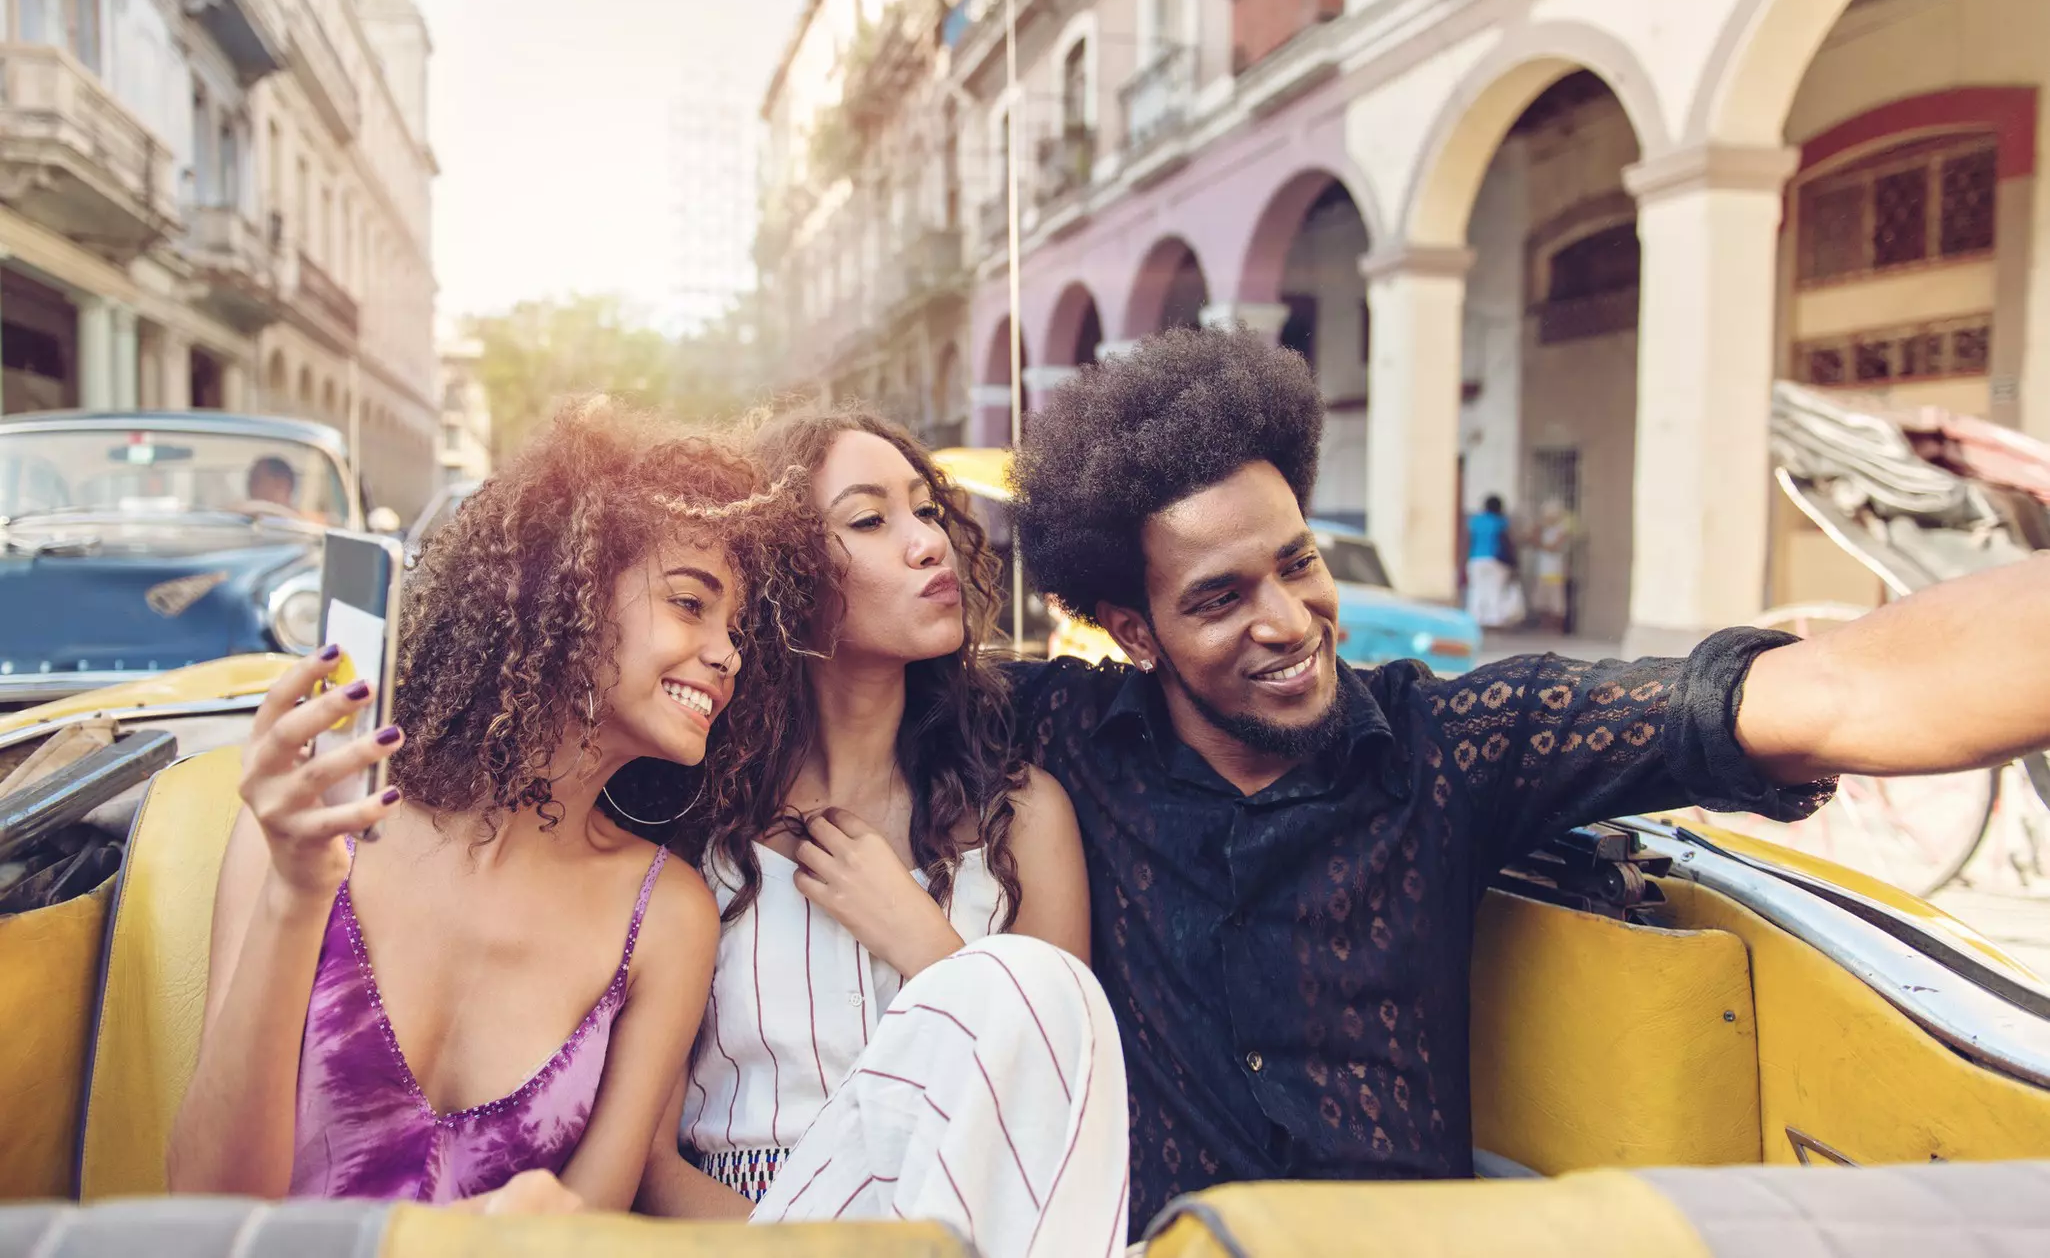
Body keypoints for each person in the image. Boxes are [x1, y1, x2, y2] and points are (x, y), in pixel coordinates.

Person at [1006, 326, 2050, 1232]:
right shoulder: (1068, 733)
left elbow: (1828, 692)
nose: (1285, 620)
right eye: (1218, 597)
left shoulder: (1446, 743)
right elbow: (856, 684)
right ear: (1135, 631)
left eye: (1296, 562)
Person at [167, 400, 814, 1212]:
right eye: (691, 603)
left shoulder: (667, 917)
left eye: (739, 627)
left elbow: (587, 1228)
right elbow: (205, 1201)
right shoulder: (312, 825)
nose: (727, 653)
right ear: (567, 589)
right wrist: (296, 891)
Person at [639, 407, 1129, 1258]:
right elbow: (651, 1166)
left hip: (971, 1221)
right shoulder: (696, 829)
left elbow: (1060, 1111)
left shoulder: (1021, 817)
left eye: (927, 511)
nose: (928, 543)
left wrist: (928, 946)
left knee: (1047, 991)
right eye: (871, 519)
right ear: (787, 571)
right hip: (756, 1229)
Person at [1464, 495, 1523, 629]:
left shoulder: (1475, 521)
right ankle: (1494, 621)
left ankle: (1475, 619)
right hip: (1495, 560)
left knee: (1477, 590)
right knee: (1495, 590)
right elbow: (1507, 541)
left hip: (1475, 559)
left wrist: (1465, 560)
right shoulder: (1500, 521)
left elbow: (1468, 541)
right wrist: (1514, 561)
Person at [1530, 498, 1577, 633]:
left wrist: (1539, 543)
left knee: (1557, 604)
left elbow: (1553, 547)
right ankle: (1545, 628)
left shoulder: (1562, 529)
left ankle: (1557, 629)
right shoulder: (1544, 529)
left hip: (1556, 571)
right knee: (1542, 602)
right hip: (1542, 570)